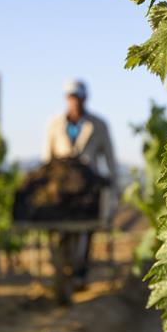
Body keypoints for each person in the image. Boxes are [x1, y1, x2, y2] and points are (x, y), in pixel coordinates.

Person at [43, 79, 118, 287]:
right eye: (71, 97)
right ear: (66, 99)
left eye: (78, 97)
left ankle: (81, 269)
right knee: (59, 227)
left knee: (87, 227)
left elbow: (110, 159)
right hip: (61, 186)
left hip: (87, 187)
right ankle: (64, 266)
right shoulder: (55, 124)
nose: (74, 101)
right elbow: (47, 158)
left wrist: (113, 186)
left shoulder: (98, 125)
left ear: (85, 99)